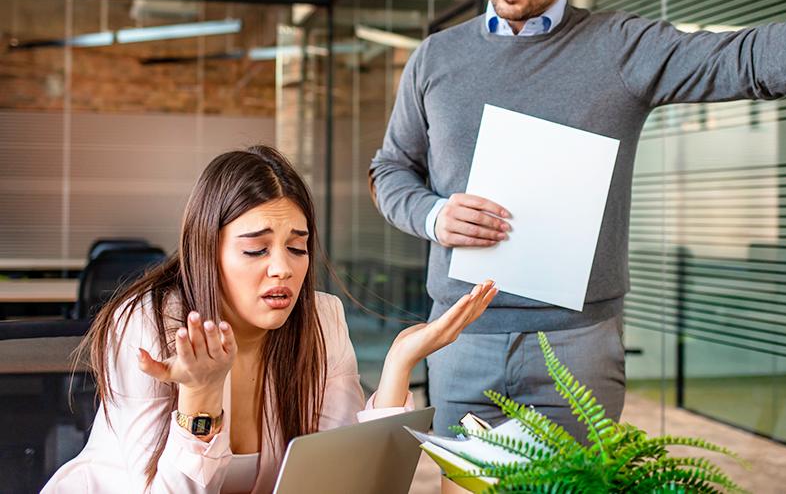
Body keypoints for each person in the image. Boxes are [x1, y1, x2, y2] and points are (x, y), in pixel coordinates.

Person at [369, 0, 786, 446]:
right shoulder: (436, 58)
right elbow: (389, 170)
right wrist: (433, 215)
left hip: (578, 344)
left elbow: (744, 60)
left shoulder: (620, 47)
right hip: (460, 337)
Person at [44, 145, 498, 493]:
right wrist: (198, 401)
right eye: (256, 249)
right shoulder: (148, 325)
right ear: (208, 251)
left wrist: (400, 363)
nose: (282, 267)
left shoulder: (321, 319)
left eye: (297, 247)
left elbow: (346, 478)